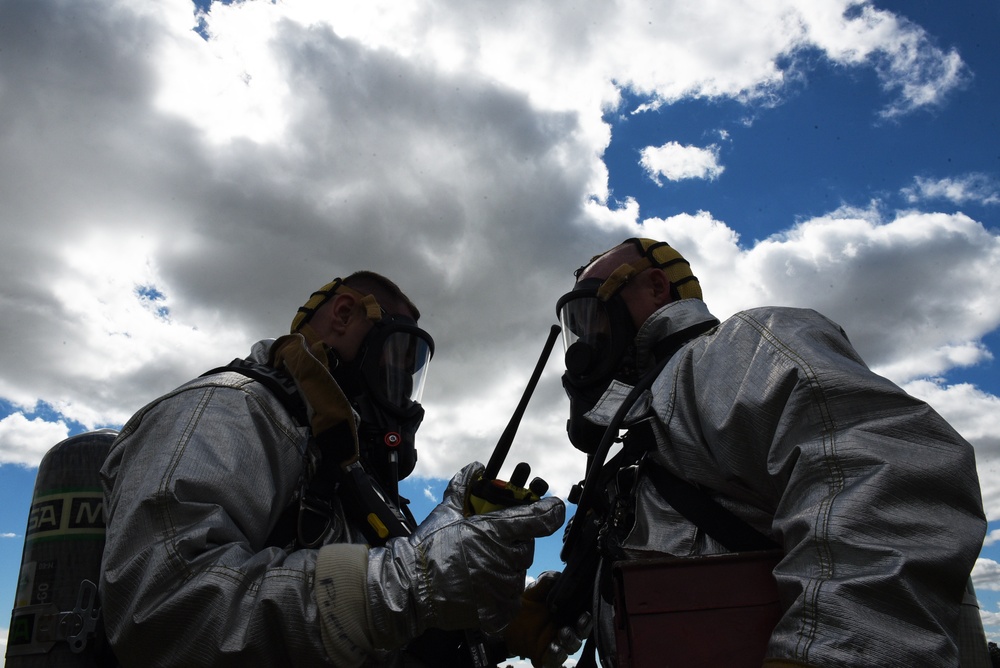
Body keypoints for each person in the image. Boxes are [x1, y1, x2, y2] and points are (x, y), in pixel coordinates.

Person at [551, 238, 988, 667]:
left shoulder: (733, 350)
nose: (589, 337)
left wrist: (824, 653)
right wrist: (558, 600)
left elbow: (890, 478)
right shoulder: (649, 423)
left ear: (657, 287)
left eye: (593, 312)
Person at [99, 271, 566, 667]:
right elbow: (164, 612)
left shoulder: (342, 466)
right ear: (344, 314)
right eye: (397, 354)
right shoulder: (227, 408)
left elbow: (382, 640)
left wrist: (496, 635)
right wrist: (412, 583)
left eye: (414, 367)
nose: (402, 382)